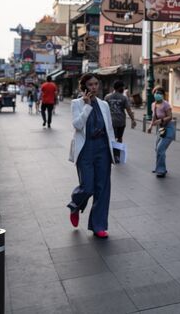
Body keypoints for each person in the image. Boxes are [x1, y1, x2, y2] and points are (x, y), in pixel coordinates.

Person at [67, 73, 116, 239]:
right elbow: (77, 126)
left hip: (103, 149)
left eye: (96, 84)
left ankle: (99, 225)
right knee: (88, 186)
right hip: (85, 148)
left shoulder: (104, 105)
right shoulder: (76, 104)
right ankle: (75, 204)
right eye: (90, 85)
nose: (94, 87)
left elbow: (109, 128)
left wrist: (114, 148)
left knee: (103, 189)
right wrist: (87, 107)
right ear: (84, 87)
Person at [105, 80, 137, 163]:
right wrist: (133, 120)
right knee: (119, 138)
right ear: (120, 88)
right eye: (122, 87)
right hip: (120, 122)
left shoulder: (107, 97)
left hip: (110, 122)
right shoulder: (124, 98)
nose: (123, 88)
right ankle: (117, 156)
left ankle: (110, 155)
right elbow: (128, 110)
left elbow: (104, 110)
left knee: (111, 138)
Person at [147, 87, 174, 178]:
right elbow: (154, 117)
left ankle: (161, 170)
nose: (157, 94)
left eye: (159, 93)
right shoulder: (153, 104)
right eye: (155, 92)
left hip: (168, 129)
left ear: (162, 94)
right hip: (161, 130)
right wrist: (150, 127)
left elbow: (170, 117)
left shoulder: (166, 104)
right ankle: (159, 167)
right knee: (158, 149)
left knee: (160, 148)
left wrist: (161, 120)